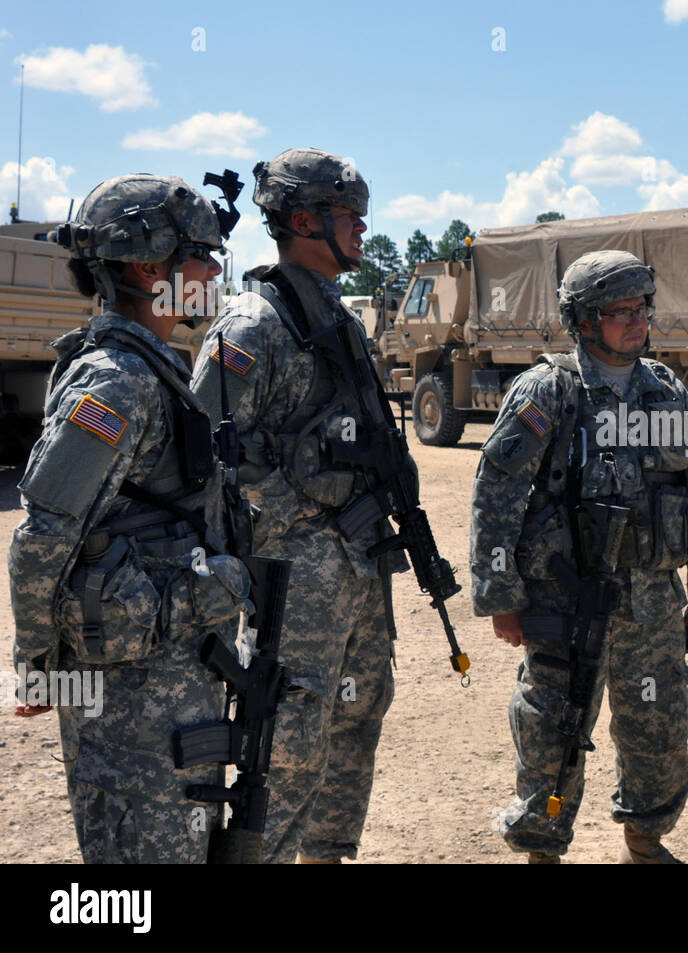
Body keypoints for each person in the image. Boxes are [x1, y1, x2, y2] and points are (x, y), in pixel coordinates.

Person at [8, 173, 250, 862]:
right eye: (202, 253)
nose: (215, 269)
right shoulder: (116, 379)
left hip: (174, 686)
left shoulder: (155, 368)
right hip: (129, 706)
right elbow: (43, 534)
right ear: (150, 266)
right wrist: (38, 663)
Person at [470, 250, 688, 864]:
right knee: (551, 732)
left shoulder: (667, 391)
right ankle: (542, 849)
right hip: (566, 607)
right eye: (620, 311)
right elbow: (497, 494)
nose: (636, 321)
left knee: (658, 730)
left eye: (642, 308)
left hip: (653, 608)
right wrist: (501, 599)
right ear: (584, 321)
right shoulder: (548, 391)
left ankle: (645, 843)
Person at [190, 148, 409, 864]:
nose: (364, 230)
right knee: (289, 733)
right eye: (352, 217)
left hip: (358, 563)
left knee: (359, 708)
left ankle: (326, 852)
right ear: (306, 219)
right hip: (297, 572)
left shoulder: (341, 323)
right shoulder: (252, 327)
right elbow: (211, 456)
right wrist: (303, 511)